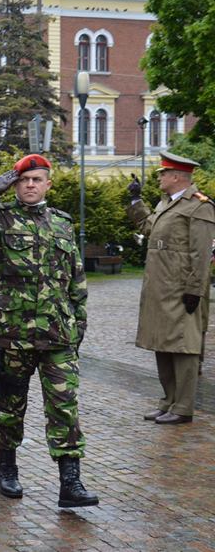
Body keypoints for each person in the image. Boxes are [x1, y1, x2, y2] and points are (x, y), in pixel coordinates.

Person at [0, 154, 97, 508]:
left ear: (48, 183)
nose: (30, 185)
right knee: (10, 406)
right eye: (23, 180)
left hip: (58, 334)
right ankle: (7, 469)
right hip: (14, 333)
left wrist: (77, 325)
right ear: (15, 185)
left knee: (65, 407)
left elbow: (76, 279)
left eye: (37, 179)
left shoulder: (61, 223)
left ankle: (70, 482)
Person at [127, 151, 215, 425]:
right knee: (162, 343)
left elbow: (201, 254)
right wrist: (135, 200)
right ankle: (168, 401)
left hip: (182, 289)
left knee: (184, 348)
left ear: (177, 176)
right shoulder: (166, 203)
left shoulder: (199, 206)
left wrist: (194, 289)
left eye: (163, 174)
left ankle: (183, 406)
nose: (160, 178)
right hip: (161, 288)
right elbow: (147, 228)